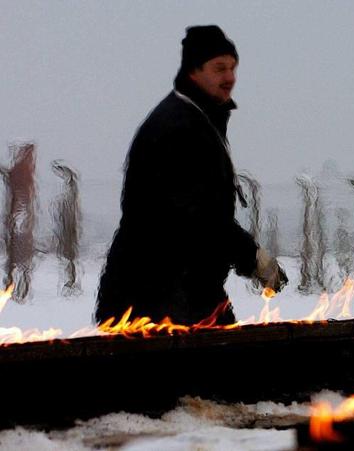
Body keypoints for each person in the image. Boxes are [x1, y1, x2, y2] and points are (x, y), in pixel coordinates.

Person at [95, 25, 286, 326]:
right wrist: (252, 257)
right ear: (194, 71)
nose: (230, 77)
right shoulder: (179, 128)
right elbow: (196, 218)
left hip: (187, 291)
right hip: (155, 298)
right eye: (219, 68)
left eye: (233, 68)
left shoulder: (198, 120)